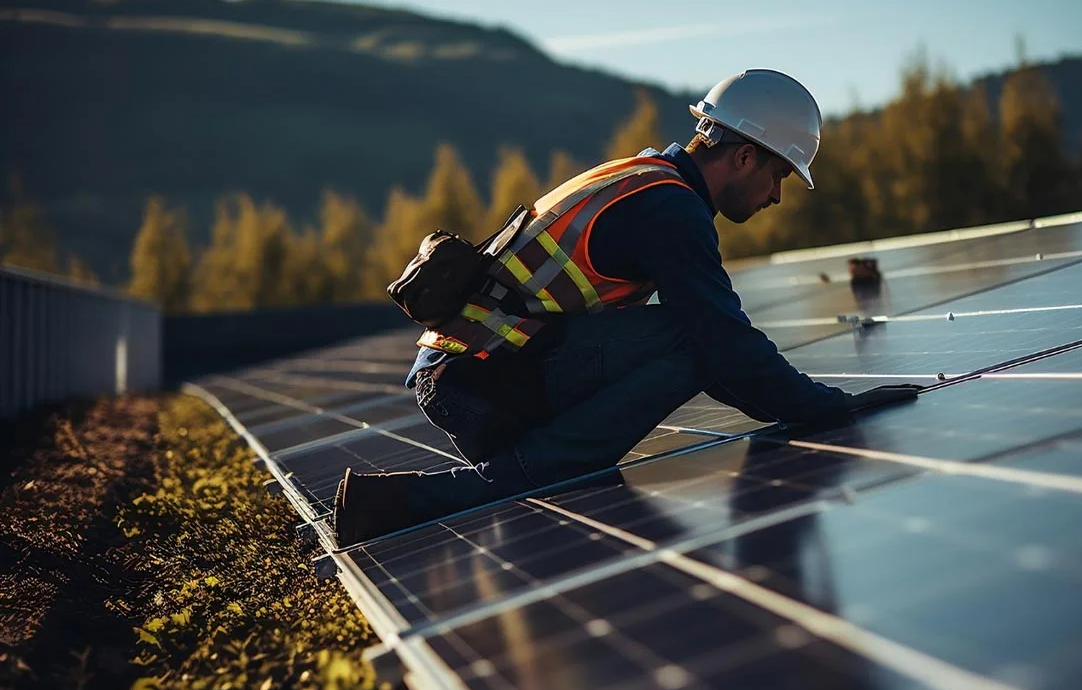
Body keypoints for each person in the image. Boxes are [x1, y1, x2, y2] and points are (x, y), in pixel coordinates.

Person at [332, 69, 920, 547]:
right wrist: (826, 408)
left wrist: (794, 405)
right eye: (778, 175)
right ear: (744, 157)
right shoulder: (670, 208)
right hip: (481, 385)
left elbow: (725, 364)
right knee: (695, 340)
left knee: (695, 342)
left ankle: (398, 499)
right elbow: (723, 346)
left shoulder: (645, 177)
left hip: (473, 371)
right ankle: (436, 496)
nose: (776, 196)